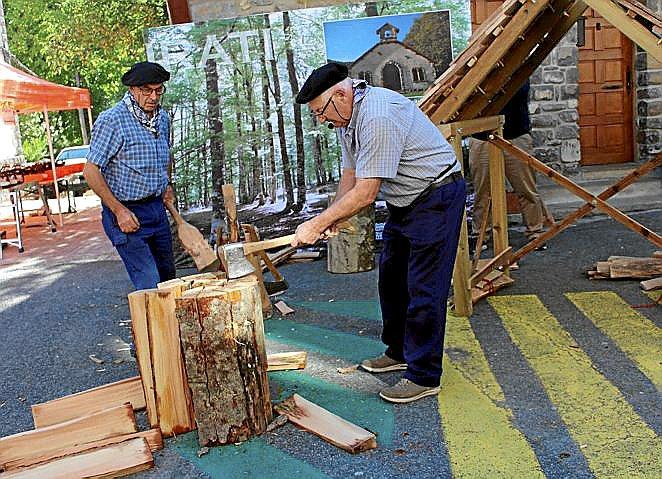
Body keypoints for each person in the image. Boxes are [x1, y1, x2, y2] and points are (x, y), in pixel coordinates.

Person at [292, 63, 466, 403]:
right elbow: (351, 174)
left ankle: (424, 375)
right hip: (406, 201)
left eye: (320, 112)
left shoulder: (378, 116)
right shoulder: (345, 117)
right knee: (391, 279)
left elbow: (367, 192)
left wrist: (315, 224)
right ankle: (399, 351)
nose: (321, 120)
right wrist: (332, 219)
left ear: (341, 94)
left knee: (424, 287)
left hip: (436, 196)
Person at [84, 61, 176, 290]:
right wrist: (118, 210)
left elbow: (165, 155)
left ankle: (170, 327)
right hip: (126, 212)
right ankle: (150, 326)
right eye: (147, 90)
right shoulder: (112, 120)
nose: (154, 96)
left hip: (156, 210)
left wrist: (166, 185)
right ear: (133, 90)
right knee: (150, 285)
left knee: (169, 279)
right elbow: (91, 171)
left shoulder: (162, 119)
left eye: (158, 90)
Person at [469, 80, 552, 248]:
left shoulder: (518, 69)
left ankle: (535, 232)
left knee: (526, 188)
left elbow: (518, 92)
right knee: (483, 191)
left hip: (515, 135)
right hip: (481, 137)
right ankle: (480, 235)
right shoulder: (479, 71)